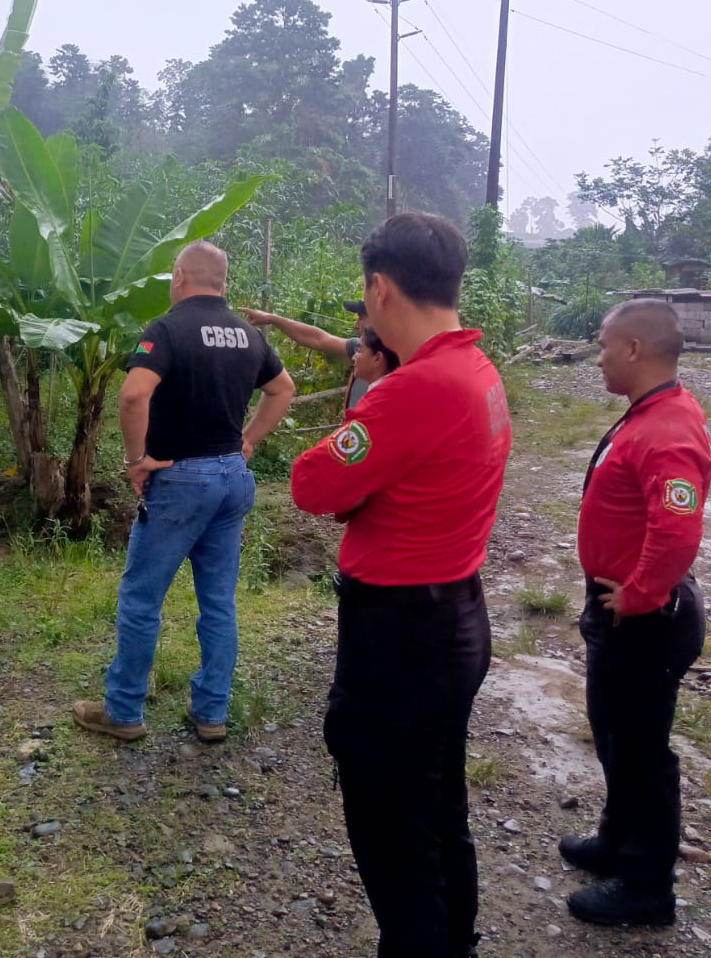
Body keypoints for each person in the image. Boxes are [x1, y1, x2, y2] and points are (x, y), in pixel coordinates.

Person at [290, 212, 513, 958]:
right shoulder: (476, 370)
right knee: (437, 806)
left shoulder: (415, 388)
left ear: (380, 288)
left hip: (402, 636)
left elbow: (312, 483)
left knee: (392, 822)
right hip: (452, 614)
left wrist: (366, 407)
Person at [74, 242, 296, 743]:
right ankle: (212, 713)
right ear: (222, 281)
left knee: (141, 597)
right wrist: (249, 439)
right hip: (232, 478)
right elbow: (283, 388)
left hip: (180, 480)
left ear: (179, 277)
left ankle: (124, 711)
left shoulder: (167, 329)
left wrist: (136, 460)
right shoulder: (248, 334)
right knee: (218, 602)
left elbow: (134, 394)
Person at [562, 299, 711, 928]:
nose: (598, 357)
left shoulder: (667, 427)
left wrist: (639, 595)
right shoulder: (649, 412)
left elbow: (677, 529)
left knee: (643, 754)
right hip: (620, 612)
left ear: (633, 349)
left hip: (644, 621)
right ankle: (617, 840)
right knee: (615, 737)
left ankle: (648, 888)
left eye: (603, 345)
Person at [242, 300, 373, 408]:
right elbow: (318, 339)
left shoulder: (382, 360)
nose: (356, 325)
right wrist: (273, 319)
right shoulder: (361, 349)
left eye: (361, 318)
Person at [353, 324, 401, 389]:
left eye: (359, 350)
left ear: (377, 358)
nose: (353, 358)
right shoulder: (395, 387)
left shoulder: (379, 393)